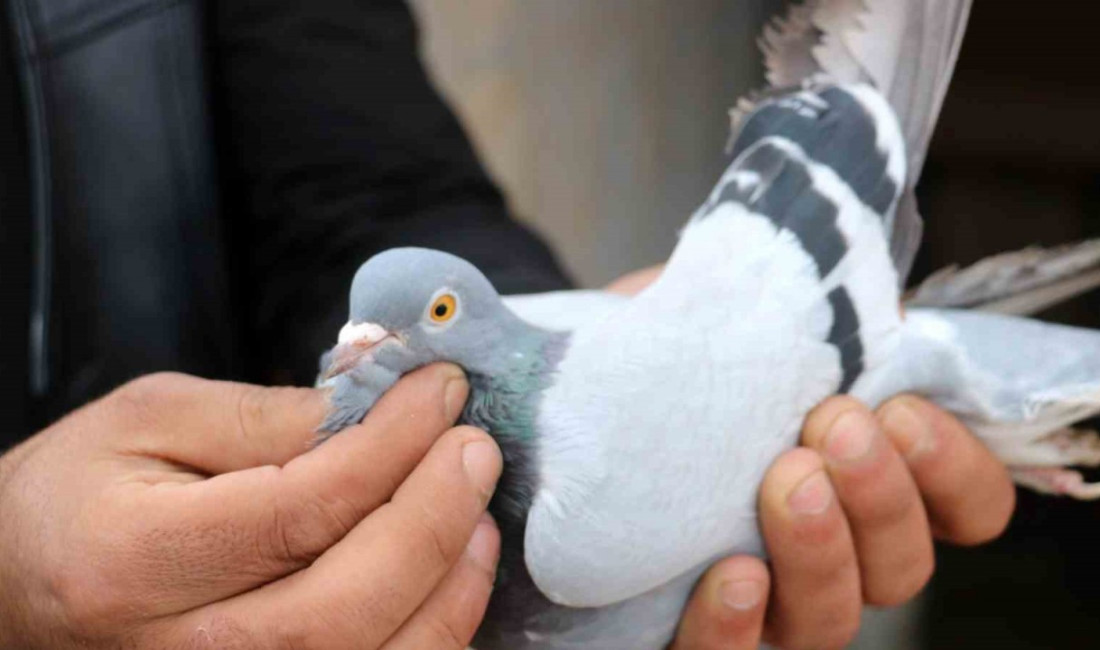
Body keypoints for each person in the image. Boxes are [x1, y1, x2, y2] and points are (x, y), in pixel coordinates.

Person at [0, 0, 1015, 648]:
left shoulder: (566, 510)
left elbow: (366, 186)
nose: (360, 349)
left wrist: (616, 356)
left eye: (430, 315)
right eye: (368, 333)